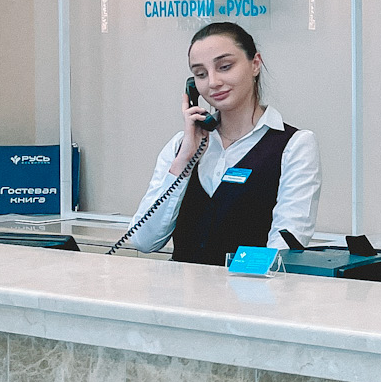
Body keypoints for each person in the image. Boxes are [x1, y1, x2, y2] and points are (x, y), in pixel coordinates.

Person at [124, 22, 320, 265]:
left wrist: (230, 280)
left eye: (225, 67)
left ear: (255, 64)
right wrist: (184, 160)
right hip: (180, 289)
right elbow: (143, 241)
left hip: (250, 287)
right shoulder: (181, 146)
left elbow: (285, 246)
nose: (213, 82)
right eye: (200, 74)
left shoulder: (294, 145)